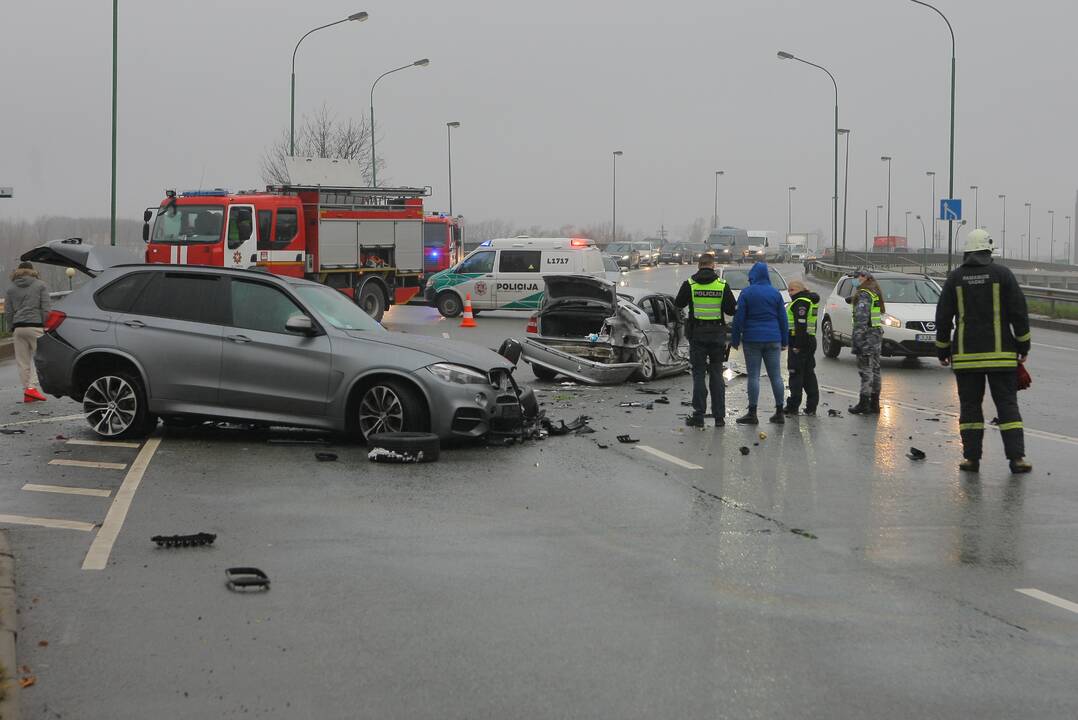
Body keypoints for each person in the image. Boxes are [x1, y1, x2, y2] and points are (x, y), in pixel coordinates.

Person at [935, 229, 1032, 474]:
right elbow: (1019, 312)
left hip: (966, 358)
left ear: (967, 251)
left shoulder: (955, 278)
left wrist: (943, 349)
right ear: (989, 250)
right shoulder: (1003, 275)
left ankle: (971, 460)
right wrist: (1023, 346)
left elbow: (944, 316)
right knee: (1007, 407)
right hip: (1002, 356)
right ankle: (1017, 459)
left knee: (970, 408)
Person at [674, 253, 737, 427]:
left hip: (698, 334)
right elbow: (731, 310)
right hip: (717, 334)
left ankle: (699, 415)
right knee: (717, 374)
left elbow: (678, 303)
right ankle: (719, 417)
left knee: (699, 374)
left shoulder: (690, 284)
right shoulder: (722, 285)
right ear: (713, 265)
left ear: (699, 265)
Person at [729, 261, 788, 425]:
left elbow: (739, 318)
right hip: (773, 339)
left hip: (752, 339)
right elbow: (783, 319)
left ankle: (752, 413)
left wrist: (734, 339)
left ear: (752, 276)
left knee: (753, 376)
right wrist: (784, 340)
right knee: (776, 376)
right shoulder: (775, 293)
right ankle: (779, 412)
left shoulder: (746, 293)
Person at [4, 261, 51, 403]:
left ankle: (28, 391)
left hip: (18, 328)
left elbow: (8, 312)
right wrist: (45, 324)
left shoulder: (11, 288)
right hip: (35, 326)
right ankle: (32, 388)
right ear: (32, 271)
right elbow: (46, 309)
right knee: (42, 359)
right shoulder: (40, 285)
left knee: (22, 362)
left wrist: (13, 326)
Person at [846, 268, 883, 415]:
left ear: (864, 277)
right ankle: (875, 403)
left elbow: (861, 319)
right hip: (875, 336)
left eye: (856, 277)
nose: (854, 280)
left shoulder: (864, 294)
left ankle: (864, 403)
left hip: (866, 336)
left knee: (866, 370)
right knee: (875, 370)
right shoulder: (874, 292)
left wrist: (858, 339)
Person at [784, 280, 820, 415]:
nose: (790, 293)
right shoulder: (808, 300)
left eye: (792, 290)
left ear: (800, 289)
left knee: (796, 374)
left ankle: (793, 406)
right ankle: (811, 407)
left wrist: (798, 345)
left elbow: (801, 325)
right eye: (789, 290)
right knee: (808, 374)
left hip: (800, 341)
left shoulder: (801, 302)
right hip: (809, 340)